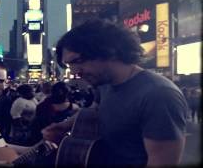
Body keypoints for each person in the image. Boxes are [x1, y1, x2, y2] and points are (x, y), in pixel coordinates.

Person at [42, 19, 188, 167]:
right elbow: (94, 112)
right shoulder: (104, 84)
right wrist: (65, 126)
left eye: (78, 61)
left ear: (108, 51)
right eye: (70, 65)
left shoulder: (159, 95)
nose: (74, 72)